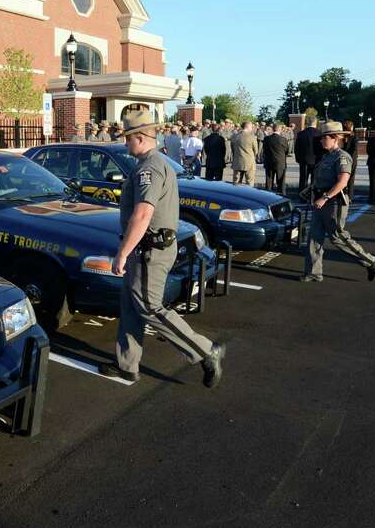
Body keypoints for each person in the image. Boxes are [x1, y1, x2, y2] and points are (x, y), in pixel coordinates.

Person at [99, 109, 225, 387]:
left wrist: (122, 253)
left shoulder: (150, 168)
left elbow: (143, 214)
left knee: (149, 307)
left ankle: (204, 351)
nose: (125, 143)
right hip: (145, 249)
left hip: (149, 251)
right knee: (131, 306)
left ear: (140, 137)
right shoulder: (151, 164)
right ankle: (127, 365)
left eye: (127, 138)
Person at [300, 121, 375, 283]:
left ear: (335, 138)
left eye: (325, 138)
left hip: (333, 203)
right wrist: (310, 191)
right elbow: (320, 179)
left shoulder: (343, 157)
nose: (321, 140)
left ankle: (371, 261)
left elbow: (342, 182)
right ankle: (313, 272)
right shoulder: (326, 157)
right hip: (320, 202)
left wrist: (325, 198)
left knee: (338, 237)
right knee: (314, 237)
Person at [294, 116, 318, 194]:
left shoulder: (301, 134)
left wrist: (298, 159)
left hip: (303, 160)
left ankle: (302, 195)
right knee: (314, 180)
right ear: (315, 123)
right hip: (316, 160)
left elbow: (296, 148)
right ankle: (312, 195)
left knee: (303, 179)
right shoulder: (319, 134)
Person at [262, 124, 289, 194]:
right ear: (280, 130)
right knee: (281, 182)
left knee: (269, 181)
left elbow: (264, 150)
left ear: (272, 129)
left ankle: (268, 196)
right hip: (280, 163)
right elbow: (286, 151)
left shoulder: (266, 139)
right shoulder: (283, 139)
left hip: (269, 162)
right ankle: (281, 196)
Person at [231, 121, 259, 186]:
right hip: (249, 162)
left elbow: (233, 149)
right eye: (251, 127)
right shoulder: (252, 137)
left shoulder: (235, 136)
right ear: (248, 127)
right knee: (249, 183)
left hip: (237, 161)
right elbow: (256, 151)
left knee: (236, 183)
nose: (252, 128)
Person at [342, 120, 358, 196]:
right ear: (351, 127)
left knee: (342, 177)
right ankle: (350, 195)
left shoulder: (342, 136)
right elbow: (355, 149)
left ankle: (343, 193)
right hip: (352, 159)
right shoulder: (354, 136)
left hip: (343, 159)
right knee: (351, 178)